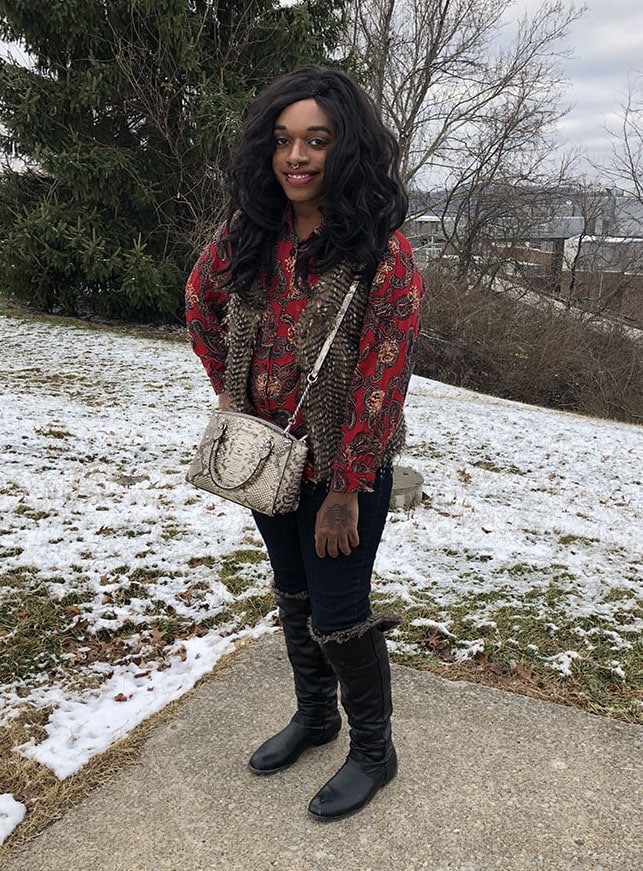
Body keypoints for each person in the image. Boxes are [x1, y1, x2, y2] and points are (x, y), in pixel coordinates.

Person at [185, 65, 424, 822]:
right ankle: (316, 717)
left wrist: (346, 487)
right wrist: (238, 393)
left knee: (338, 612)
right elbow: (200, 302)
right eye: (284, 141)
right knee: (291, 593)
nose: (296, 157)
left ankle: (374, 751)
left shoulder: (382, 254)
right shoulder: (248, 236)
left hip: (343, 468)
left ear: (344, 149)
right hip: (268, 459)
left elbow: (383, 379)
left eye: (315, 142)